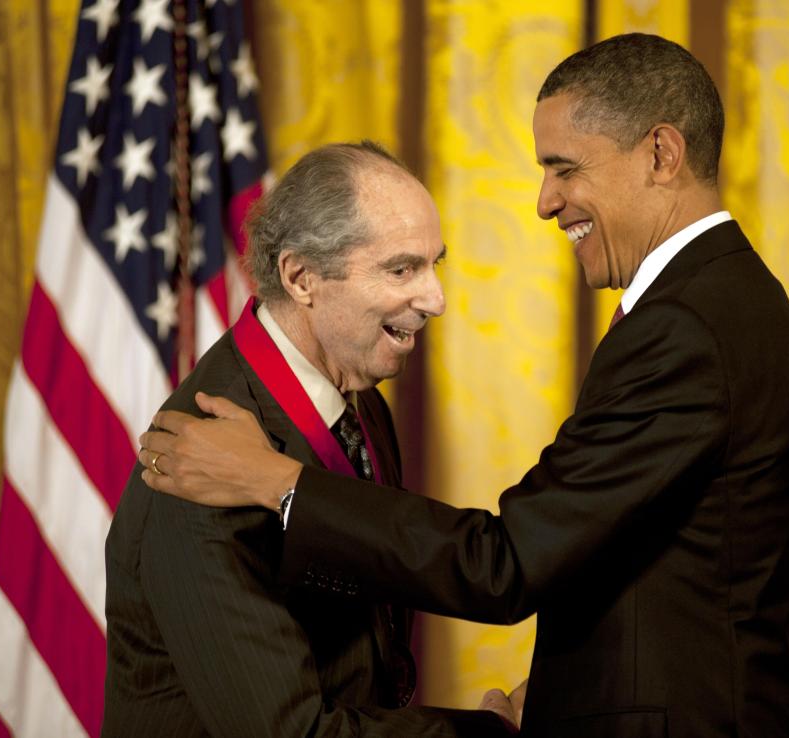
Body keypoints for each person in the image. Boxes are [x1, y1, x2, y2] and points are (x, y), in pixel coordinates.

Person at [139, 34, 789, 737]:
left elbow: (505, 564)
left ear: (660, 154)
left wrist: (282, 484)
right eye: (402, 270)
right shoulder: (722, 301)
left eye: (564, 168)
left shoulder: (687, 326)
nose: (544, 201)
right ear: (300, 277)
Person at [103, 141, 516, 736]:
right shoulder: (199, 466)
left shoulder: (361, 401)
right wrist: (493, 733)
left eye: (435, 264)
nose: (436, 300)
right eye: (402, 269)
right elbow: (292, 732)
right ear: (300, 277)